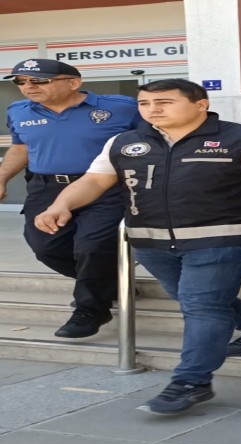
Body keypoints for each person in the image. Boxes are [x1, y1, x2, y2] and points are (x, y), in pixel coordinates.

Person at [34, 79, 241, 415]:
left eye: (164, 102)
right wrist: (61, 205)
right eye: (144, 103)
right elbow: (95, 180)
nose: (152, 110)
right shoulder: (124, 142)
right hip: (152, 240)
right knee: (193, 296)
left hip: (223, 239)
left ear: (201, 104)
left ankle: (190, 382)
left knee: (202, 305)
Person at [0, 59, 140, 338]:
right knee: (46, 247)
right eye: (21, 82)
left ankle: (91, 309)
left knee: (91, 246)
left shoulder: (122, 107)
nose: (28, 87)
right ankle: (108, 283)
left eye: (38, 80)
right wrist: (2, 177)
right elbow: (21, 148)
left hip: (106, 188)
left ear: (73, 83)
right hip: (46, 188)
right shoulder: (18, 110)